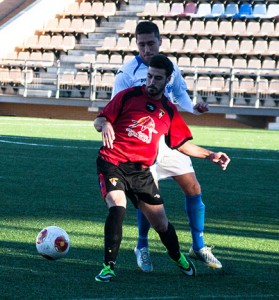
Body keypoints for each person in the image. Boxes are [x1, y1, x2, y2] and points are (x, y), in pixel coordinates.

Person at [94, 54, 230, 282]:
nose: (151, 82)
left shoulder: (168, 110)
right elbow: (99, 120)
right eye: (149, 76)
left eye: (157, 78)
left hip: (142, 172)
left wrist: (211, 155)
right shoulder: (127, 96)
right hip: (113, 162)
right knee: (118, 206)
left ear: (167, 80)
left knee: (161, 224)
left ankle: (177, 256)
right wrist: (106, 123)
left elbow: (182, 144)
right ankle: (109, 266)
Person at [111, 21, 221, 272]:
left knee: (193, 186)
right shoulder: (126, 73)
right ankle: (142, 245)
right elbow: (116, 108)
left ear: (160, 42)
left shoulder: (170, 68)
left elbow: (179, 93)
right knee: (150, 196)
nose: (146, 49)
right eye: (141, 45)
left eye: (151, 43)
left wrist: (193, 108)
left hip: (169, 137)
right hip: (142, 142)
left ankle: (199, 245)